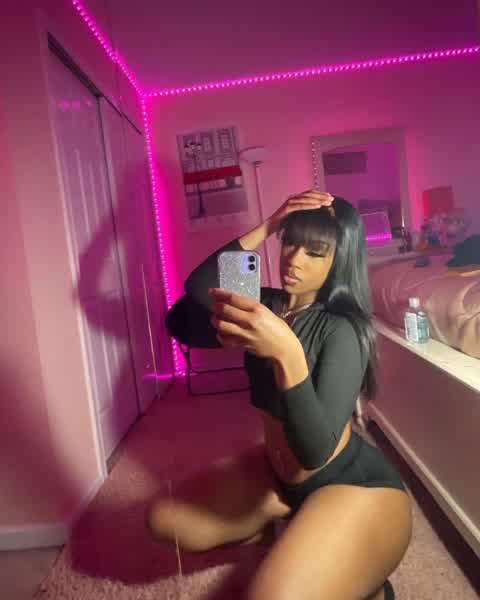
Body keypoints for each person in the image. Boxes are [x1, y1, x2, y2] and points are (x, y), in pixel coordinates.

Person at [147, 191, 412, 599]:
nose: (294, 260)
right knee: (164, 521)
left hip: (352, 484)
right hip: (278, 478)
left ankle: (364, 577)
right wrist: (270, 223)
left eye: (315, 252)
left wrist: (286, 354)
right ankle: (286, 517)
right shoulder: (265, 304)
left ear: (339, 260)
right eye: (290, 241)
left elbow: (314, 453)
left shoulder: (342, 329)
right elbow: (196, 291)